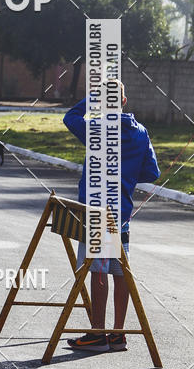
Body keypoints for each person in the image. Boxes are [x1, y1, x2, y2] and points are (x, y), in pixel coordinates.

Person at [63, 82, 160, 352]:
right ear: (125, 100)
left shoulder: (96, 129)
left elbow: (70, 117)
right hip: (122, 214)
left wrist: (92, 100)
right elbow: (152, 173)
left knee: (98, 271)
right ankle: (117, 334)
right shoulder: (141, 133)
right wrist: (126, 178)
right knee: (120, 272)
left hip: (96, 212)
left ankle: (97, 333)